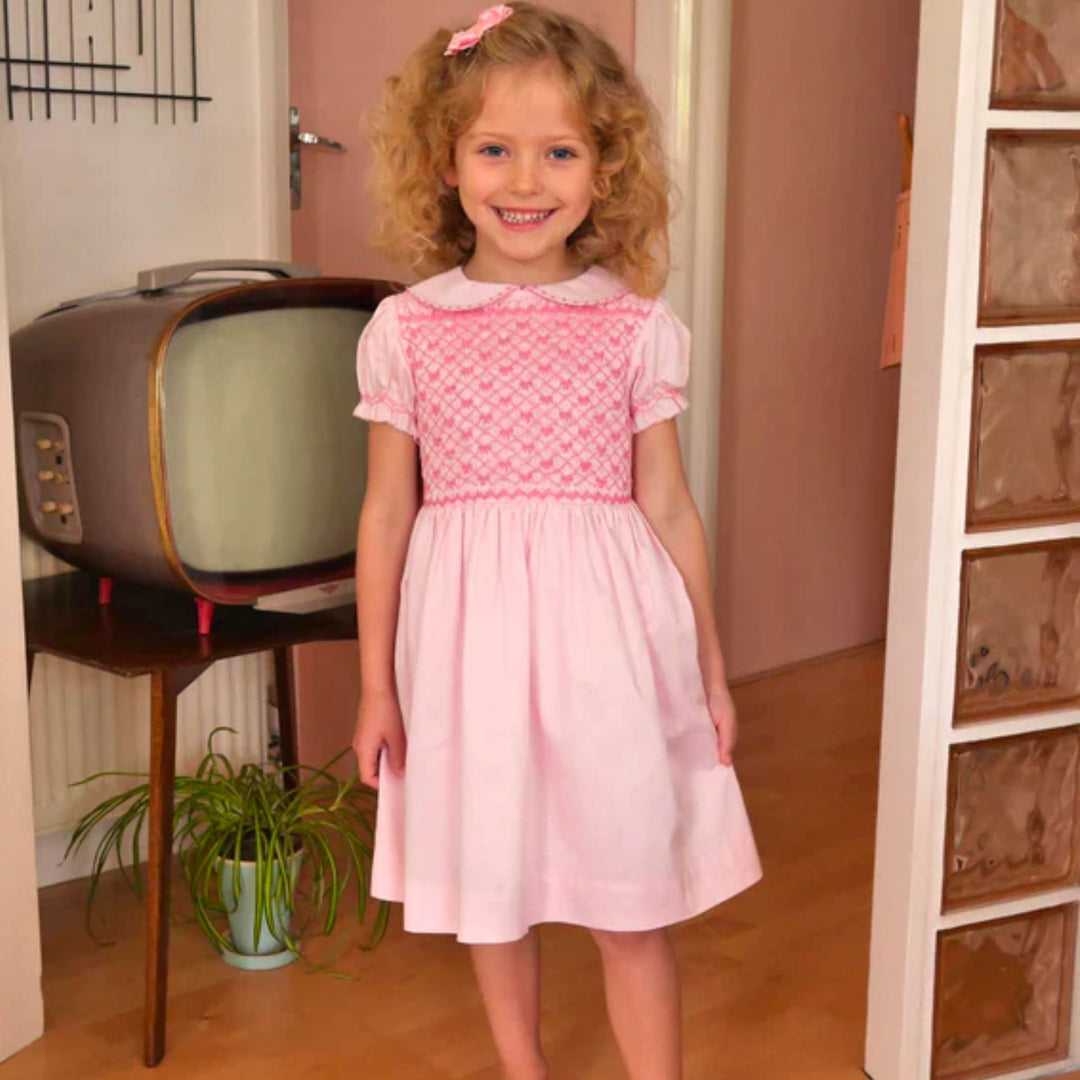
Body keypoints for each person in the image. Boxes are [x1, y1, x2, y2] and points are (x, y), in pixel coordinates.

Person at [351, 5, 761, 1077]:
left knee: (630, 898)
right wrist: (374, 688)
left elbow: (668, 504)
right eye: (494, 148)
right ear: (446, 162)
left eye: (559, 151)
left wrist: (713, 669)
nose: (524, 180)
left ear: (603, 167)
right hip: (466, 655)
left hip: (606, 656)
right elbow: (387, 513)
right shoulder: (407, 329)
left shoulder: (633, 325)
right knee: (496, 894)